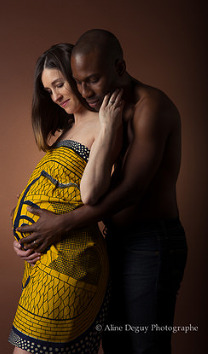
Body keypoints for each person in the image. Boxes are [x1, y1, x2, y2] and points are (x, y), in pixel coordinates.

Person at [17, 29, 187, 353]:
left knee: (146, 346)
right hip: (115, 240)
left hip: (151, 242)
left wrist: (60, 224)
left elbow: (130, 191)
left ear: (119, 68)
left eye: (91, 80)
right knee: (115, 346)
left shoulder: (151, 107)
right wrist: (32, 232)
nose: (85, 91)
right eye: (79, 82)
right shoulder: (102, 114)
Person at [9, 43, 124, 354]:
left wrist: (108, 129)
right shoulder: (67, 130)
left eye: (59, 84)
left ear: (76, 77)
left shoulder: (103, 122)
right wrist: (25, 239)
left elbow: (90, 193)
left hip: (72, 261)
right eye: (49, 91)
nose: (55, 96)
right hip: (46, 262)